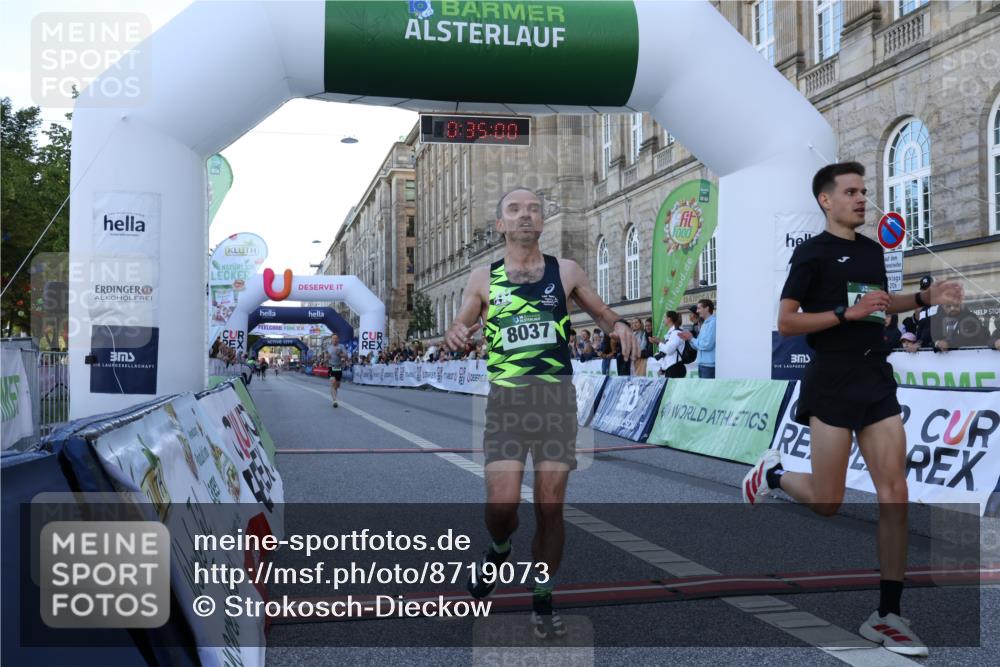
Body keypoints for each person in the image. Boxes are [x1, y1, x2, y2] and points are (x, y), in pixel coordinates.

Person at [743, 161, 963, 657]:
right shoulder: (812, 253)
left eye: (865, 190)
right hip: (832, 380)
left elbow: (882, 305)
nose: (863, 198)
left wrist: (926, 297)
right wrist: (845, 313)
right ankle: (774, 475)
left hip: (875, 378)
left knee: (895, 492)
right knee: (827, 500)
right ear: (826, 200)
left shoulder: (871, 250)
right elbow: (787, 321)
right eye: (852, 191)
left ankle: (888, 614)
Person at [444, 187, 638, 639]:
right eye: (514, 210)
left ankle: (543, 598)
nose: (525, 215)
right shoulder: (482, 277)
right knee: (502, 507)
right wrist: (456, 332)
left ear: (542, 221)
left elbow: (605, 314)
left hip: (554, 401)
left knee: (551, 506)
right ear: (501, 225)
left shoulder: (565, 271)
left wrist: (622, 325)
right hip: (506, 404)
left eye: (533, 209)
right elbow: (462, 320)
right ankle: (498, 547)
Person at [921, 300, 988, 351]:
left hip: (971, 357)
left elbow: (967, 337)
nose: (952, 308)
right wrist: (937, 343)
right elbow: (930, 337)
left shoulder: (971, 317)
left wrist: (949, 344)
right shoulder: (937, 319)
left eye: (956, 305)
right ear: (943, 307)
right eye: (948, 306)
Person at [678, 299, 715, 377]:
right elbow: (697, 346)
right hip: (702, 364)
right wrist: (688, 339)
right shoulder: (704, 324)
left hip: (709, 365)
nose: (697, 311)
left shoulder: (713, 322)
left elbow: (706, 345)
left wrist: (692, 338)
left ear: (707, 308)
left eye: (699, 308)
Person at [658, 310, 686, 378]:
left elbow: (669, 350)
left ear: (669, 319)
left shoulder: (676, 333)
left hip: (675, 368)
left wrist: (658, 342)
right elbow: (667, 355)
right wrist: (663, 368)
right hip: (671, 367)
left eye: (665, 317)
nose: (663, 320)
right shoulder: (670, 332)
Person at [326, 334, 348, 407]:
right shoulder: (328, 347)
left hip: (339, 367)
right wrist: (327, 356)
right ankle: (334, 400)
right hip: (331, 366)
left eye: (336, 338)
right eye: (333, 338)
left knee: (337, 385)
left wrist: (340, 354)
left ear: (338, 339)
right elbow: (326, 356)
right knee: (333, 382)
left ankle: (335, 393)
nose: (335, 340)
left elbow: (346, 356)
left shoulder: (341, 346)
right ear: (331, 339)